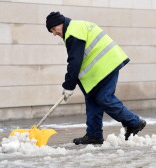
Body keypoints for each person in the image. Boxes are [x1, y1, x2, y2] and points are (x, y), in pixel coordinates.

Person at [46, 11, 146, 145]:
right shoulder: (75, 27)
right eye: (51, 31)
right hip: (100, 69)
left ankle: (134, 122)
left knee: (104, 98)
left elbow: (75, 61)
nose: (54, 33)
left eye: (54, 29)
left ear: (60, 23)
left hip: (106, 65)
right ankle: (94, 135)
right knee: (92, 99)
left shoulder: (73, 31)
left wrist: (69, 85)